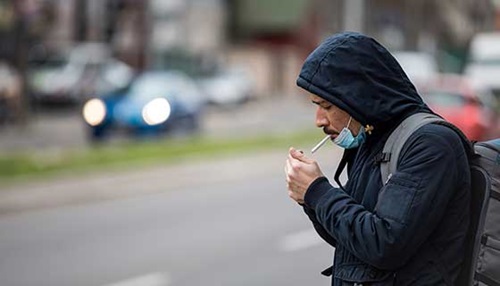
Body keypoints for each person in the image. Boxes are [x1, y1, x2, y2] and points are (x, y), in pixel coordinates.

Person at [284, 32, 471, 285]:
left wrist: (317, 192)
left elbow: (384, 244)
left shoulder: (430, 144)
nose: (319, 119)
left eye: (327, 106)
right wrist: (310, 199)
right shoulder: (372, 139)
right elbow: (350, 240)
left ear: (357, 96)